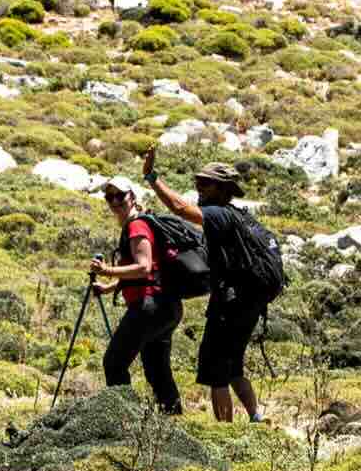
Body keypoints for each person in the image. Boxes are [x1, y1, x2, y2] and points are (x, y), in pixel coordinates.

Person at [142, 152, 266, 423]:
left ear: (222, 189)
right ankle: (257, 419)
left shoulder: (217, 213)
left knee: (216, 373)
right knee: (233, 368)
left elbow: (179, 207)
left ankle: (226, 435)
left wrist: (152, 177)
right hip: (249, 302)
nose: (199, 188)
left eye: (205, 184)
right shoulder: (238, 216)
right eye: (198, 182)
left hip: (230, 304)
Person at [88, 180, 183, 414]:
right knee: (157, 370)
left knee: (114, 363)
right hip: (166, 307)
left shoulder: (136, 226)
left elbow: (143, 267)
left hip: (148, 307)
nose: (114, 202)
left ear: (132, 196)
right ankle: (172, 423)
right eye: (109, 197)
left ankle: (125, 423)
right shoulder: (141, 222)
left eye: (119, 196)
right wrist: (109, 288)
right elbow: (149, 270)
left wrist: (107, 271)